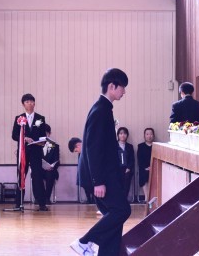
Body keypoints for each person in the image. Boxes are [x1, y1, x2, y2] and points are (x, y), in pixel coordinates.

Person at [72, 68, 131, 256]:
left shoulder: (104, 108)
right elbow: (93, 148)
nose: (124, 92)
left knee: (114, 222)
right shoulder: (100, 110)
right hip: (102, 177)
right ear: (112, 86)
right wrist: (98, 181)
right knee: (122, 211)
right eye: (122, 87)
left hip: (105, 175)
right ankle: (84, 241)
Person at [11, 93, 49, 211]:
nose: (30, 104)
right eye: (27, 102)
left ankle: (41, 203)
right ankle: (19, 203)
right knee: (21, 176)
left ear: (34, 103)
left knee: (37, 176)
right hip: (23, 152)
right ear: (23, 104)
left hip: (36, 152)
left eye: (32, 101)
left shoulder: (40, 118)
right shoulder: (19, 118)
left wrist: (39, 141)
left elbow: (42, 135)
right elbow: (14, 135)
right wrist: (24, 138)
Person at [68, 137, 94, 204]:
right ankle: (90, 199)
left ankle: (93, 199)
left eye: (76, 150)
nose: (77, 152)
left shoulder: (90, 147)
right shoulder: (82, 153)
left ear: (78, 145)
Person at [42, 124, 59, 204]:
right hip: (39, 169)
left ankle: (46, 198)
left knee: (50, 175)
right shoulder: (36, 145)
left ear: (49, 134)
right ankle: (39, 198)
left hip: (50, 170)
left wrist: (52, 166)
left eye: (46, 133)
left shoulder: (55, 146)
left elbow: (57, 160)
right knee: (37, 176)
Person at [137, 128, 155, 203]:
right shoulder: (140, 146)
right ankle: (147, 197)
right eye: (147, 134)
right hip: (144, 167)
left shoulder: (156, 146)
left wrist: (152, 167)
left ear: (153, 135)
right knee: (144, 173)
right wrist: (146, 167)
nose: (149, 136)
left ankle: (152, 197)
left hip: (154, 167)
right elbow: (140, 159)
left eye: (151, 134)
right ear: (144, 136)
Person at [116, 126, 134, 199]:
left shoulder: (130, 146)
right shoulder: (114, 146)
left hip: (127, 169)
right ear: (118, 135)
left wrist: (129, 168)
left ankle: (124, 199)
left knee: (127, 181)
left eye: (124, 133)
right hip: (117, 169)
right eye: (121, 133)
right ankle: (118, 200)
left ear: (127, 135)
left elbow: (132, 159)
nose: (123, 135)